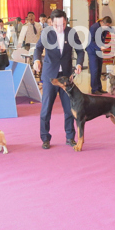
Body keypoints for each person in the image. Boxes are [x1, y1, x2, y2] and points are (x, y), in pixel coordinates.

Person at [33, 9, 85, 149]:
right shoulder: (46, 33)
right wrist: (36, 60)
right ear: (51, 22)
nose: (59, 27)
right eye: (56, 25)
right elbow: (38, 49)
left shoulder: (71, 32)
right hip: (50, 76)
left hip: (66, 77)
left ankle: (70, 137)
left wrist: (79, 64)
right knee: (46, 109)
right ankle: (45, 138)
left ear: (65, 21)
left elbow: (80, 51)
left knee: (69, 109)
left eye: (62, 24)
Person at [86, 16, 115, 94]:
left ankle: (99, 88)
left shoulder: (106, 26)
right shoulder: (94, 27)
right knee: (94, 70)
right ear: (102, 22)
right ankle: (94, 89)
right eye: (106, 26)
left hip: (100, 50)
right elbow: (91, 41)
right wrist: (99, 47)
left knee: (99, 69)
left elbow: (114, 31)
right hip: (92, 50)